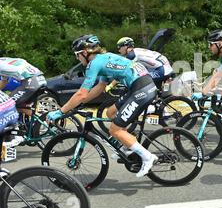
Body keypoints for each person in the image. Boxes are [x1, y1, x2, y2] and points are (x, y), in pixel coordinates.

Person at [46, 34, 159, 177]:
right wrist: (80, 103)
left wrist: (60, 112)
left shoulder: (94, 64)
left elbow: (81, 93)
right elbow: (100, 87)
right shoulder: (105, 58)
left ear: (85, 52)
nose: (77, 59)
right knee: (110, 112)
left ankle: (148, 157)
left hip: (141, 89)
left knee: (115, 130)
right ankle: (127, 145)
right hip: (138, 86)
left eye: (77, 55)